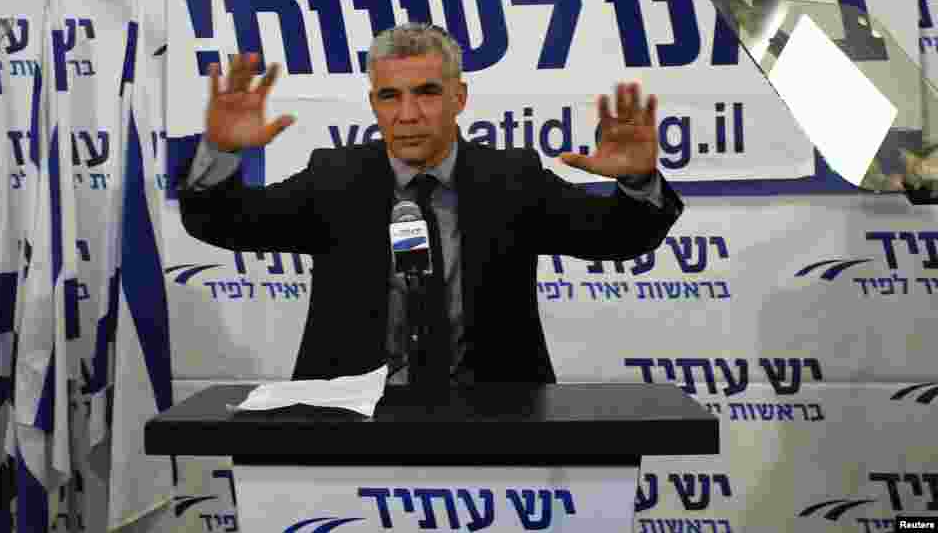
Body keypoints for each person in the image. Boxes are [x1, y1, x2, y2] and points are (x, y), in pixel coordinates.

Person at [176, 23, 683, 385]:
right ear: (373, 103)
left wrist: (638, 180)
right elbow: (221, 222)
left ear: (459, 97)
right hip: (352, 427)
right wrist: (220, 152)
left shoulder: (512, 179)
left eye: (427, 92)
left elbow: (619, 236)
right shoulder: (334, 178)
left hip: (497, 420)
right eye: (390, 96)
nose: (409, 114)